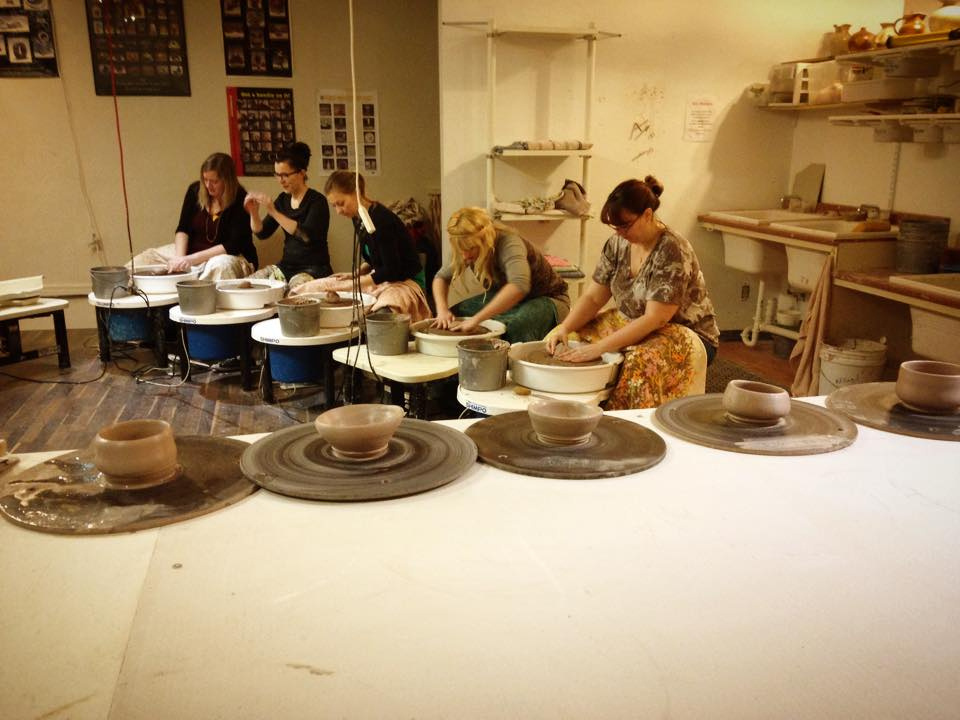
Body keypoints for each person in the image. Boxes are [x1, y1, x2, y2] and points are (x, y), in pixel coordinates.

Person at [544, 176, 719, 410]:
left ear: (647, 214)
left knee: (638, 362)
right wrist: (565, 328)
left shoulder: (672, 249)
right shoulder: (617, 244)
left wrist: (600, 348)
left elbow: (656, 318)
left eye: (625, 225)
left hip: (684, 332)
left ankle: (625, 422)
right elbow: (594, 298)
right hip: (632, 320)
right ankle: (572, 410)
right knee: (565, 338)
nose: (619, 233)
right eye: (615, 227)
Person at [291, 171, 430, 321]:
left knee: (383, 311)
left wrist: (350, 285)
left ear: (357, 193)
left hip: (405, 281)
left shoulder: (381, 219)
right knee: (307, 289)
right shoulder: (358, 217)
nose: (338, 211)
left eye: (341, 203)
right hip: (383, 278)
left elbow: (391, 270)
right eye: (334, 206)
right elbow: (375, 257)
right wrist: (355, 274)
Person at [432, 207, 570, 343]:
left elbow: (519, 286)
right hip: (511, 300)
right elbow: (441, 278)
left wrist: (476, 319)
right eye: (461, 250)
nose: (465, 255)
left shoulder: (509, 242)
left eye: (471, 248)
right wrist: (442, 310)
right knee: (456, 313)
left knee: (516, 328)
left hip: (547, 299)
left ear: (485, 239)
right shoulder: (465, 246)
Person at [129, 153, 257, 280]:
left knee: (220, 265)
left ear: (228, 181)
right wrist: (180, 259)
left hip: (228, 256)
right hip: (191, 252)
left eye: (214, 181)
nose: (208, 186)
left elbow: (233, 245)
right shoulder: (195, 190)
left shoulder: (241, 199)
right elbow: (183, 228)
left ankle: (194, 289)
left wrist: (191, 259)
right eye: (205, 180)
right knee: (145, 260)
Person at [244, 142, 332, 290]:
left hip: (313, 269)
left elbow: (305, 236)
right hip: (286, 267)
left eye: (285, 175)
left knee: (296, 292)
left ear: (301, 173)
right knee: (248, 285)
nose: (281, 180)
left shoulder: (317, 201)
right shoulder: (282, 200)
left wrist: (274, 212)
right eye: (277, 175)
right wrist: (253, 212)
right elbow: (262, 233)